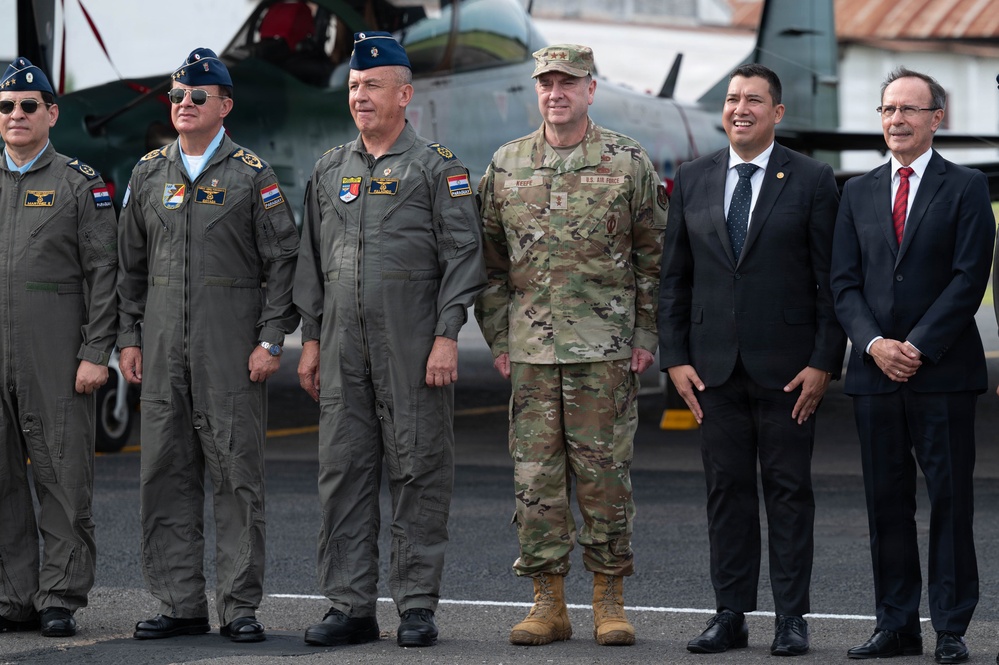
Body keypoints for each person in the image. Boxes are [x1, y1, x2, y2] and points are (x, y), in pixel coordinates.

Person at [294, 32, 485, 649]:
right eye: (353, 86)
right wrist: (314, 341)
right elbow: (311, 260)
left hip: (412, 348)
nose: (360, 96)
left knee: (418, 470)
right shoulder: (329, 169)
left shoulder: (437, 168)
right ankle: (350, 607)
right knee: (343, 472)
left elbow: (464, 256)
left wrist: (447, 334)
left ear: (405, 94)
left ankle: (416, 606)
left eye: (372, 85)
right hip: (344, 348)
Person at [475, 44, 666, 647]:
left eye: (569, 82)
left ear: (590, 89)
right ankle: (547, 602)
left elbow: (654, 258)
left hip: (604, 351)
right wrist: (501, 336)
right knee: (536, 480)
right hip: (532, 352)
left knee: (604, 479)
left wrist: (644, 333)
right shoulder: (506, 165)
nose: (556, 92)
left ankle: (609, 598)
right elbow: (490, 264)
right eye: (546, 83)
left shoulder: (627, 161)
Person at [658, 63, 845, 656]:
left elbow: (830, 282)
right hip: (712, 370)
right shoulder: (692, 178)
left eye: (754, 100)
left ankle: (792, 619)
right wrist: (675, 358)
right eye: (733, 98)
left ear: (777, 113)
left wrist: (823, 361)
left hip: (791, 372)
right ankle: (730, 614)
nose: (740, 108)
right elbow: (674, 279)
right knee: (726, 492)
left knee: (789, 492)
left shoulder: (814, 179)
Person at [117, 48, 300, 643]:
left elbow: (283, 264)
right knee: (164, 474)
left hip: (230, 351)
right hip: (164, 347)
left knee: (235, 477)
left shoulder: (252, 174)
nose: (185, 105)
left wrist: (272, 338)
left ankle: (239, 606)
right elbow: (130, 268)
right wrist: (128, 338)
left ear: (224, 105)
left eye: (198, 96)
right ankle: (179, 603)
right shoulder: (148, 174)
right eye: (176, 96)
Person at [832, 67, 994, 664]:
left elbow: (968, 278)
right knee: (886, 503)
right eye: (887, 110)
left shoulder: (968, 187)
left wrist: (917, 346)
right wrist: (875, 345)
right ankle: (895, 625)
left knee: (950, 501)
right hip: (875, 374)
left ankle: (950, 627)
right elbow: (843, 283)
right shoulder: (857, 191)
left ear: (936, 118)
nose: (895, 120)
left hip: (943, 372)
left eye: (908, 109)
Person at [0, 57, 118, 638]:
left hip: (54, 354)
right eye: (5, 106)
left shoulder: (79, 184)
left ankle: (59, 596)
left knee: (61, 475)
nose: (15, 115)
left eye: (27, 105)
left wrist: (98, 350)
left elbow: (105, 273)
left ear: (51, 113)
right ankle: (12, 595)